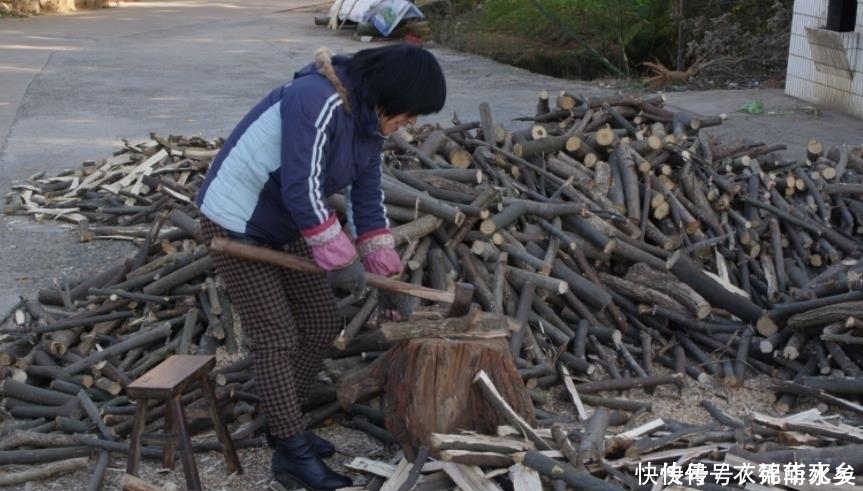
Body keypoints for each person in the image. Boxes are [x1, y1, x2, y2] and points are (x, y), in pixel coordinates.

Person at [195, 43, 446, 491]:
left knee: (320, 321)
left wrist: (384, 274)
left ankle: (282, 423)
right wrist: (341, 257)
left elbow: (366, 199)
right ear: (393, 91)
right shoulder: (317, 98)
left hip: (286, 221)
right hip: (235, 220)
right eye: (412, 113)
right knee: (276, 335)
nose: (413, 123)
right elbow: (302, 186)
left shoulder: (370, 123)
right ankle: (290, 452)